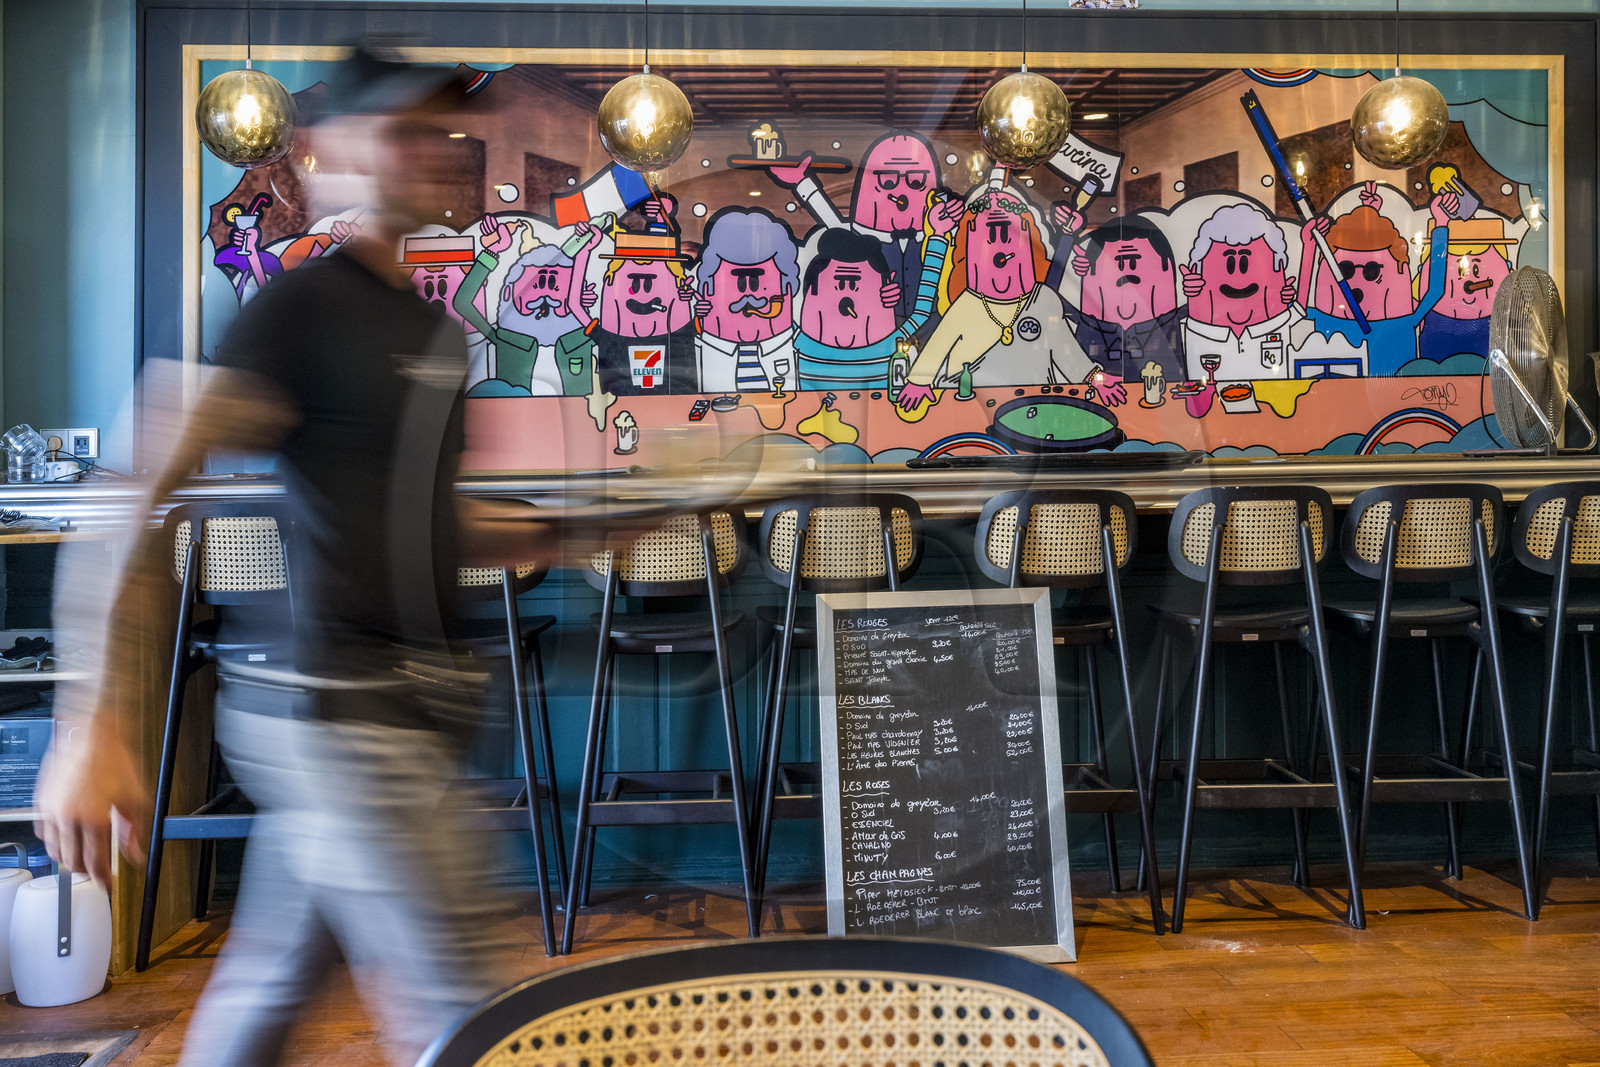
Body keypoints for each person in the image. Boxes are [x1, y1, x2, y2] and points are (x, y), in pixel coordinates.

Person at [34, 46, 569, 1066]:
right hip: (340, 718)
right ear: (327, 153)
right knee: (473, 1014)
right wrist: (89, 723)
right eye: (399, 130)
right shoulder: (297, 309)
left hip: (412, 711)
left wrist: (578, 531)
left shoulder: (432, 331)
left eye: (434, 130)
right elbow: (134, 496)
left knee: (269, 987)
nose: (427, 148)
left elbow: (429, 522)